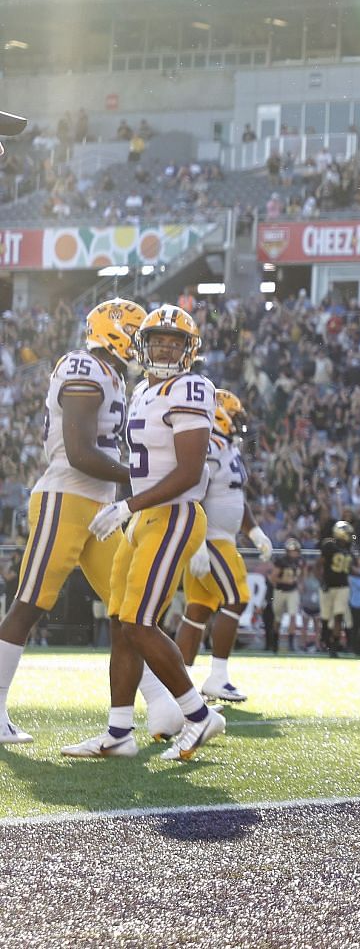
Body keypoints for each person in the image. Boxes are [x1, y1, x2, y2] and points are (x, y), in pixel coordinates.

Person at [67, 305, 226, 761]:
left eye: (174, 343)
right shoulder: (142, 391)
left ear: (189, 350)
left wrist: (126, 505)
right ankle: (119, 732)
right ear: (142, 344)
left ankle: (198, 716)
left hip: (172, 514)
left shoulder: (192, 387)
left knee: (139, 622)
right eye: (157, 341)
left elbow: (191, 470)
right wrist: (131, 510)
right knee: (121, 622)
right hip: (144, 518)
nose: (164, 349)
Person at [0, 299, 145, 744]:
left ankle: (160, 711)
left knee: (131, 609)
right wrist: (141, 477)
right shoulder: (84, 365)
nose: (140, 345)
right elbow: (81, 453)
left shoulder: (113, 375)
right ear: (115, 332)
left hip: (100, 505)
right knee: (29, 602)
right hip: (66, 496)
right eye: (136, 334)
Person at [176, 390, 274, 702]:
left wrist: (254, 531)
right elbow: (193, 493)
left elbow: (234, 497)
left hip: (219, 539)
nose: (240, 423)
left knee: (198, 611)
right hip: (210, 540)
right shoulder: (209, 445)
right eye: (236, 415)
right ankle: (218, 678)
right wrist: (198, 541)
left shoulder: (226, 447)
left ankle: (180, 686)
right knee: (237, 599)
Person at [317, 521, 355, 656]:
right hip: (328, 586)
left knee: (339, 616)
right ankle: (326, 641)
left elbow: (348, 569)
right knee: (326, 618)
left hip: (342, 587)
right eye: (349, 534)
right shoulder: (329, 545)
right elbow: (319, 564)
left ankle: (334, 646)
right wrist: (321, 581)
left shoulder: (348, 548)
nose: (351, 536)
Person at [269, 539, 306, 653]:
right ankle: (275, 643)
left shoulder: (300, 561)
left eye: (296, 551)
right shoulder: (281, 561)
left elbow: (303, 574)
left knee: (293, 616)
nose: (294, 553)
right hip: (280, 590)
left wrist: (300, 584)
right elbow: (273, 577)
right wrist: (284, 581)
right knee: (278, 618)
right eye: (292, 551)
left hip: (293, 591)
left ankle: (291, 644)